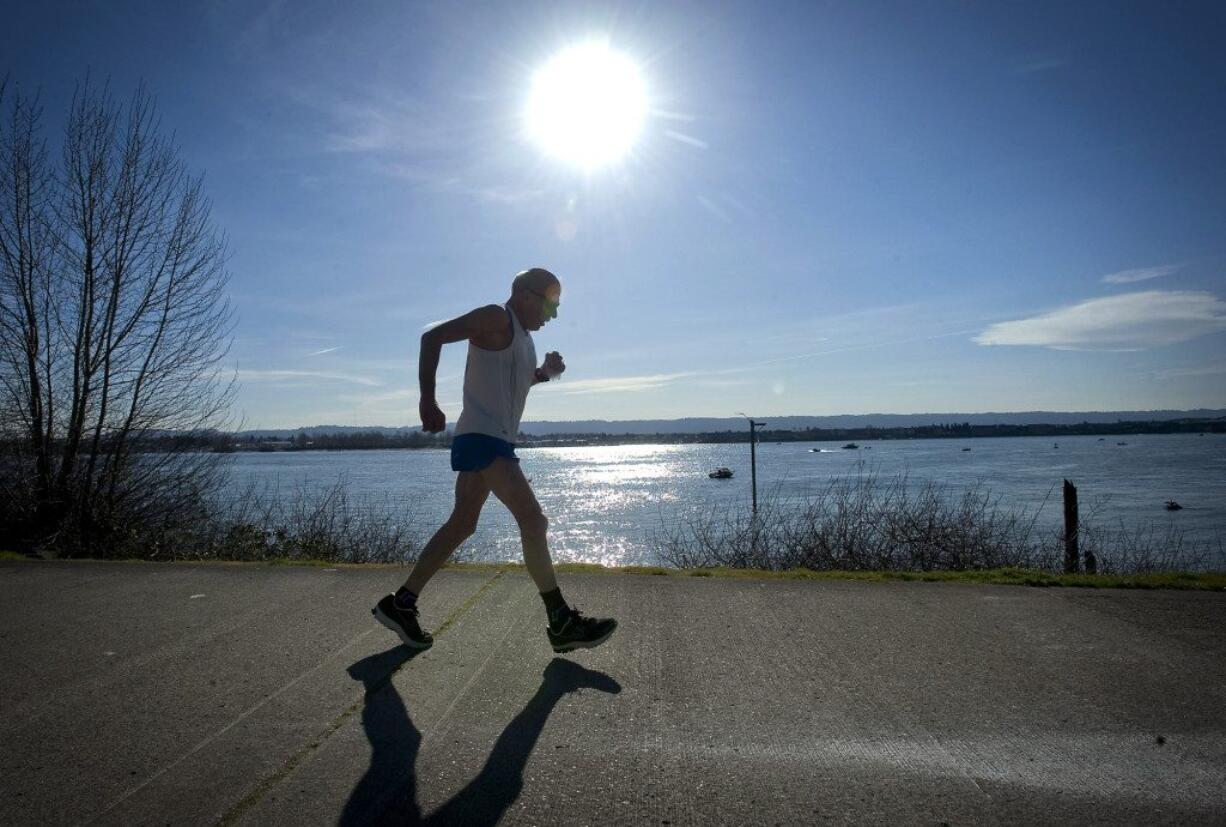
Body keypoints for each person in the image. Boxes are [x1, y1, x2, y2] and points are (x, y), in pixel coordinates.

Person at [373, 268, 617, 654]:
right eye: (550, 304)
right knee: (533, 521)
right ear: (525, 295)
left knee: (462, 524)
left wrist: (546, 374)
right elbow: (431, 337)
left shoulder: (523, 339)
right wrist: (427, 398)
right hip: (484, 439)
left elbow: (517, 382)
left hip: (489, 439)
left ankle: (400, 603)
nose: (552, 315)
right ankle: (561, 621)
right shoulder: (495, 317)